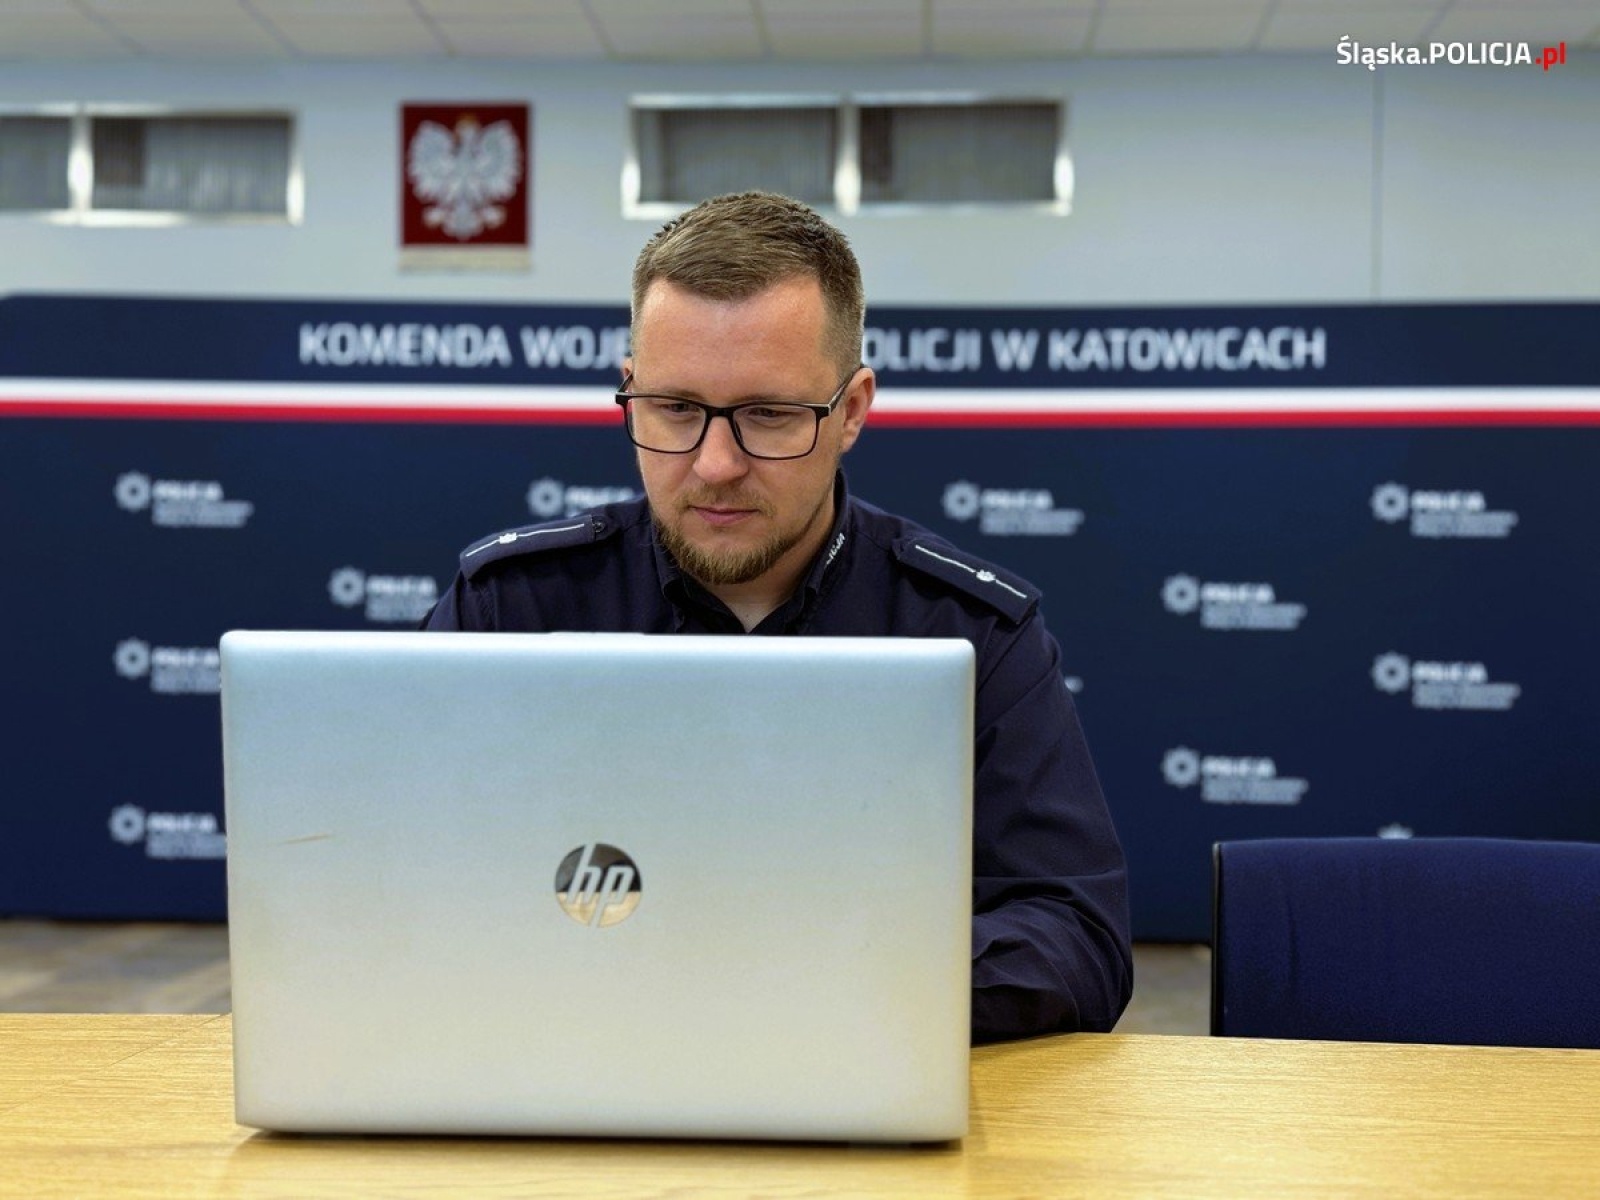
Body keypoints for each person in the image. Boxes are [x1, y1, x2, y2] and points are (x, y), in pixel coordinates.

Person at [425, 190, 1132, 1042]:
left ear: (853, 411)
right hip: (555, 1066)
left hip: (854, 1073)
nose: (716, 464)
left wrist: (810, 989)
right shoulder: (510, 609)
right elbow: (384, 879)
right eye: (676, 409)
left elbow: (1077, 935)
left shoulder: (970, 631)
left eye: (768, 415)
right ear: (629, 392)